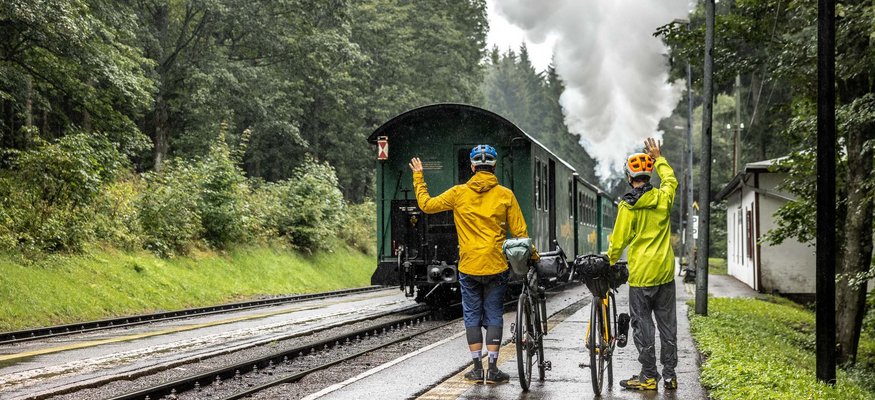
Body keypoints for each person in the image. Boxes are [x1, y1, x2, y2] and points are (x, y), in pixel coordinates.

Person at [409, 144, 531, 384]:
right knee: (494, 315)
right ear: (494, 167)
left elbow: (426, 205)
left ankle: (477, 368)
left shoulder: (458, 193)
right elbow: (520, 234)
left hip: (468, 267)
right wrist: (533, 256)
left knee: (472, 316)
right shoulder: (505, 195)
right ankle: (494, 369)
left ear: (473, 167)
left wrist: (418, 176)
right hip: (496, 265)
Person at [607, 138, 679, 391]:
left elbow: (618, 240)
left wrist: (610, 260)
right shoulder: (663, 198)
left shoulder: (628, 205)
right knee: (668, 327)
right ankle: (670, 376)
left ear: (629, 177)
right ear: (649, 175)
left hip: (640, 276)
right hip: (665, 272)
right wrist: (659, 157)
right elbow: (671, 181)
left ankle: (648, 376)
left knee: (643, 326)